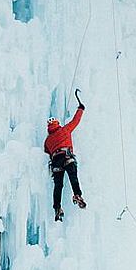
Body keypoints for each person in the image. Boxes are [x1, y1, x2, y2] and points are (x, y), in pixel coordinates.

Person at [44, 90, 87, 221]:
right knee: (73, 177)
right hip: (67, 157)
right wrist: (81, 108)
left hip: (56, 162)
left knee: (58, 185)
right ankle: (77, 195)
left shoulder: (47, 140)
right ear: (57, 124)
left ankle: (57, 207)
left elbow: (47, 151)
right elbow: (75, 121)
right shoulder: (64, 130)